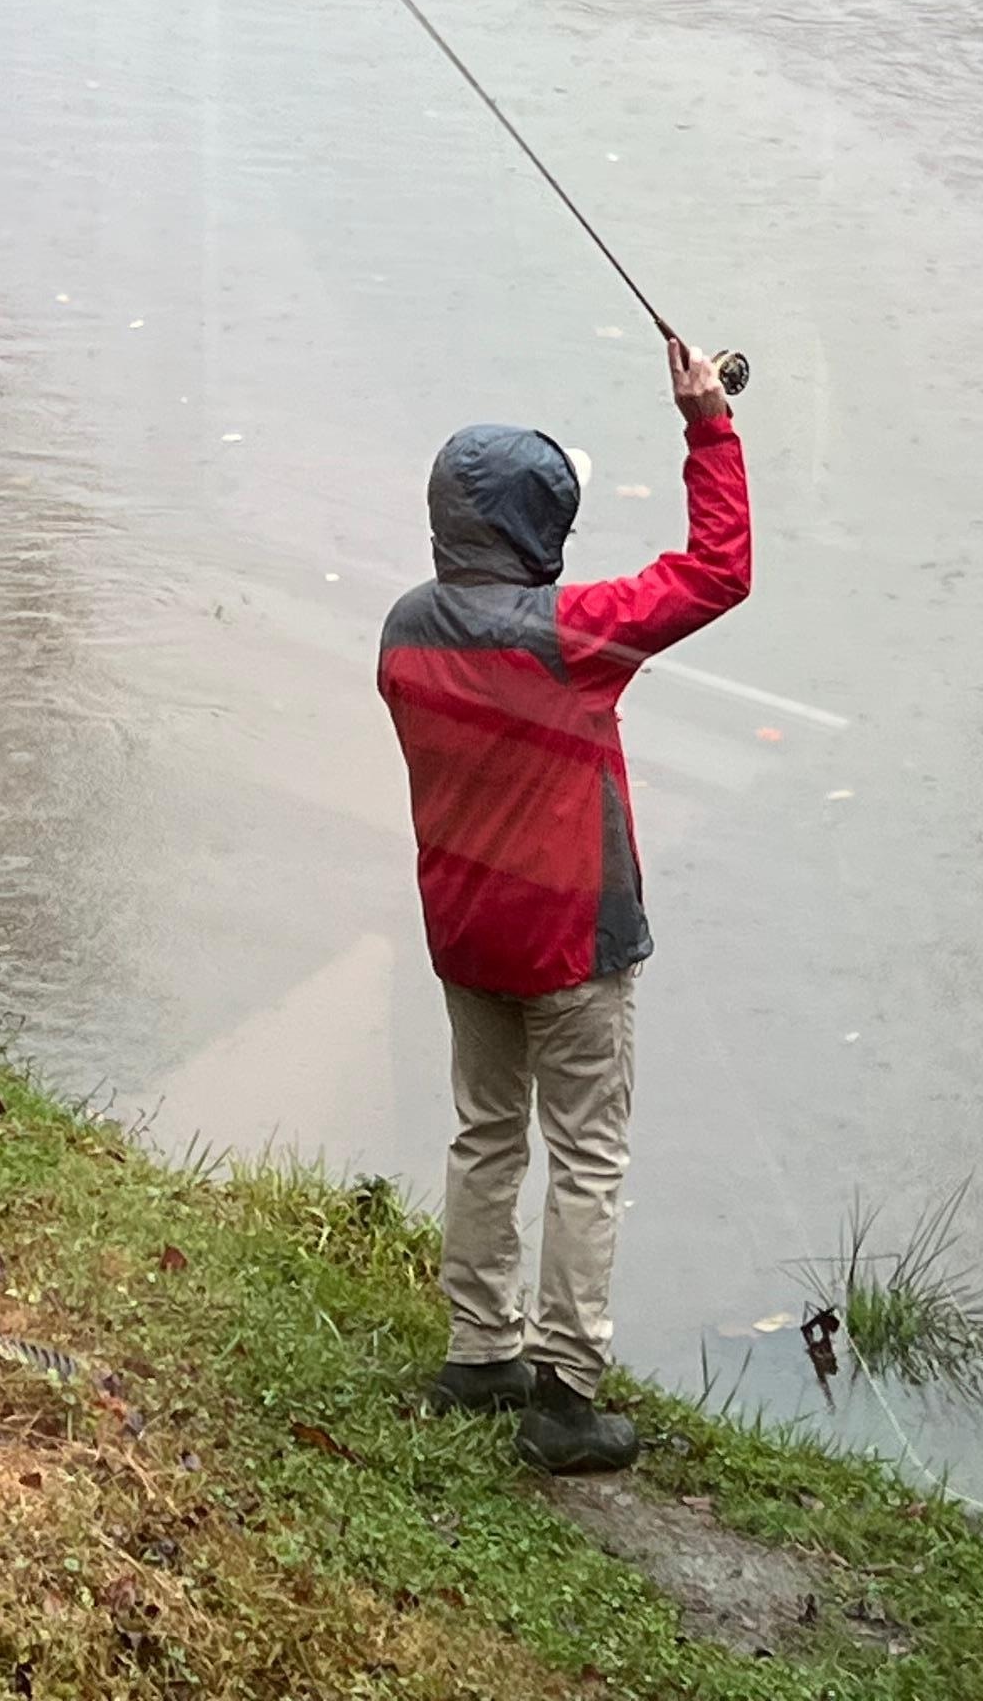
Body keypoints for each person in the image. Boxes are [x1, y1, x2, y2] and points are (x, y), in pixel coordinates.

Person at [376, 333, 750, 1472]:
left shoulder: (402, 630)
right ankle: (566, 1394)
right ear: (540, 531)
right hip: (574, 943)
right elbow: (718, 572)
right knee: (587, 1154)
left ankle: (479, 1352)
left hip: (464, 933)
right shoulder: (573, 638)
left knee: (486, 1133)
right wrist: (708, 424)